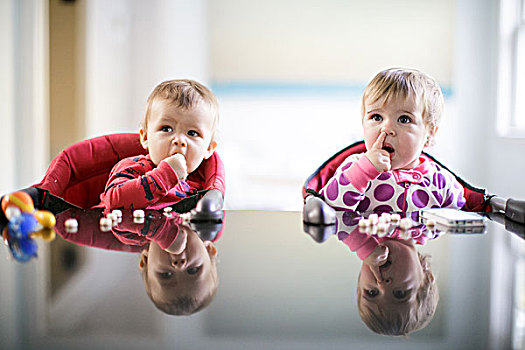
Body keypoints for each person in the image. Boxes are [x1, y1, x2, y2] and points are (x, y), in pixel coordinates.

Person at [319, 68, 465, 213]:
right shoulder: (354, 168)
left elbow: (462, 223)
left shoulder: (441, 182)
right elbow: (327, 210)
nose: (386, 128)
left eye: (404, 119)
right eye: (376, 117)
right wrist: (363, 171)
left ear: (429, 133)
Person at [100, 79, 220, 210]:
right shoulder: (133, 168)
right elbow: (114, 201)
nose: (179, 140)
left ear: (208, 148)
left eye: (192, 133)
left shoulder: (199, 189)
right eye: (167, 129)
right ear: (145, 137)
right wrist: (165, 176)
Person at [335, 213, 438, 336]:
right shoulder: (434, 223)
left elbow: (331, 212)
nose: (382, 285)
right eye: (400, 293)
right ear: (426, 275)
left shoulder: (359, 224)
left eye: (372, 292)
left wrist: (363, 246)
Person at [138, 221, 219, 316]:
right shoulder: (211, 222)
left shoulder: (127, 232)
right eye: (192, 270)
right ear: (208, 249)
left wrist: (162, 232)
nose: (179, 266)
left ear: (146, 259)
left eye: (166, 274)